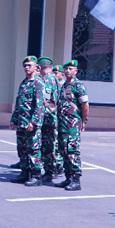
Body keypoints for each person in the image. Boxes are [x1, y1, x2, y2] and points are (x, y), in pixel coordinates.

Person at [9, 56, 45, 186]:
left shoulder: (38, 83)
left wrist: (33, 122)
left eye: (29, 65)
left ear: (36, 67)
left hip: (31, 123)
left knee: (33, 149)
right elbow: (19, 102)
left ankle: (36, 176)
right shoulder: (24, 83)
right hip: (21, 122)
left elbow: (40, 105)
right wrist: (13, 118)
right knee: (22, 148)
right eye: (25, 65)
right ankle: (24, 173)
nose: (27, 67)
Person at [56, 59, 89, 191]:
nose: (67, 71)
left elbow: (85, 105)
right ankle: (68, 177)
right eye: (66, 68)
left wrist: (83, 121)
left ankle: (76, 180)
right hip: (62, 123)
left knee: (72, 151)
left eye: (70, 69)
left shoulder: (78, 85)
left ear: (76, 71)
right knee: (63, 150)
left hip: (73, 124)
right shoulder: (64, 86)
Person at [36, 57, 62, 183]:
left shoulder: (46, 80)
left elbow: (44, 100)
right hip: (55, 116)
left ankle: (49, 172)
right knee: (53, 145)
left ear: (40, 68)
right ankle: (54, 169)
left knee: (47, 146)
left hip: (47, 118)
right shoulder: (56, 79)